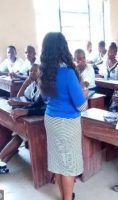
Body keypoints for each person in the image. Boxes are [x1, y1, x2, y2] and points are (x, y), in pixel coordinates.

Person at [39, 32, 88, 200]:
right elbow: (81, 106)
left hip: (51, 120)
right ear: (63, 48)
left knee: (59, 162)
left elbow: (45, 99)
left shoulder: (45, 72)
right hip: (67, 123)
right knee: (69, 165)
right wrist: (84, 93)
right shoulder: (67, 73)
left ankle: (64, 196)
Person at [0, 64, 43, 174]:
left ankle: (1, 160)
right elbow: (19, 96)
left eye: (35, 71)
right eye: (30, 71)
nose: (31, 73)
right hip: (32, 117)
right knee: (18, 134)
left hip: (39, 120)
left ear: (40, 72)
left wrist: (20, 104)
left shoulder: (43, 86)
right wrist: (26, 82)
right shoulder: (33, 85)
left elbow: (38, 105)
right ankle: (2, 161)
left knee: (19, 136)